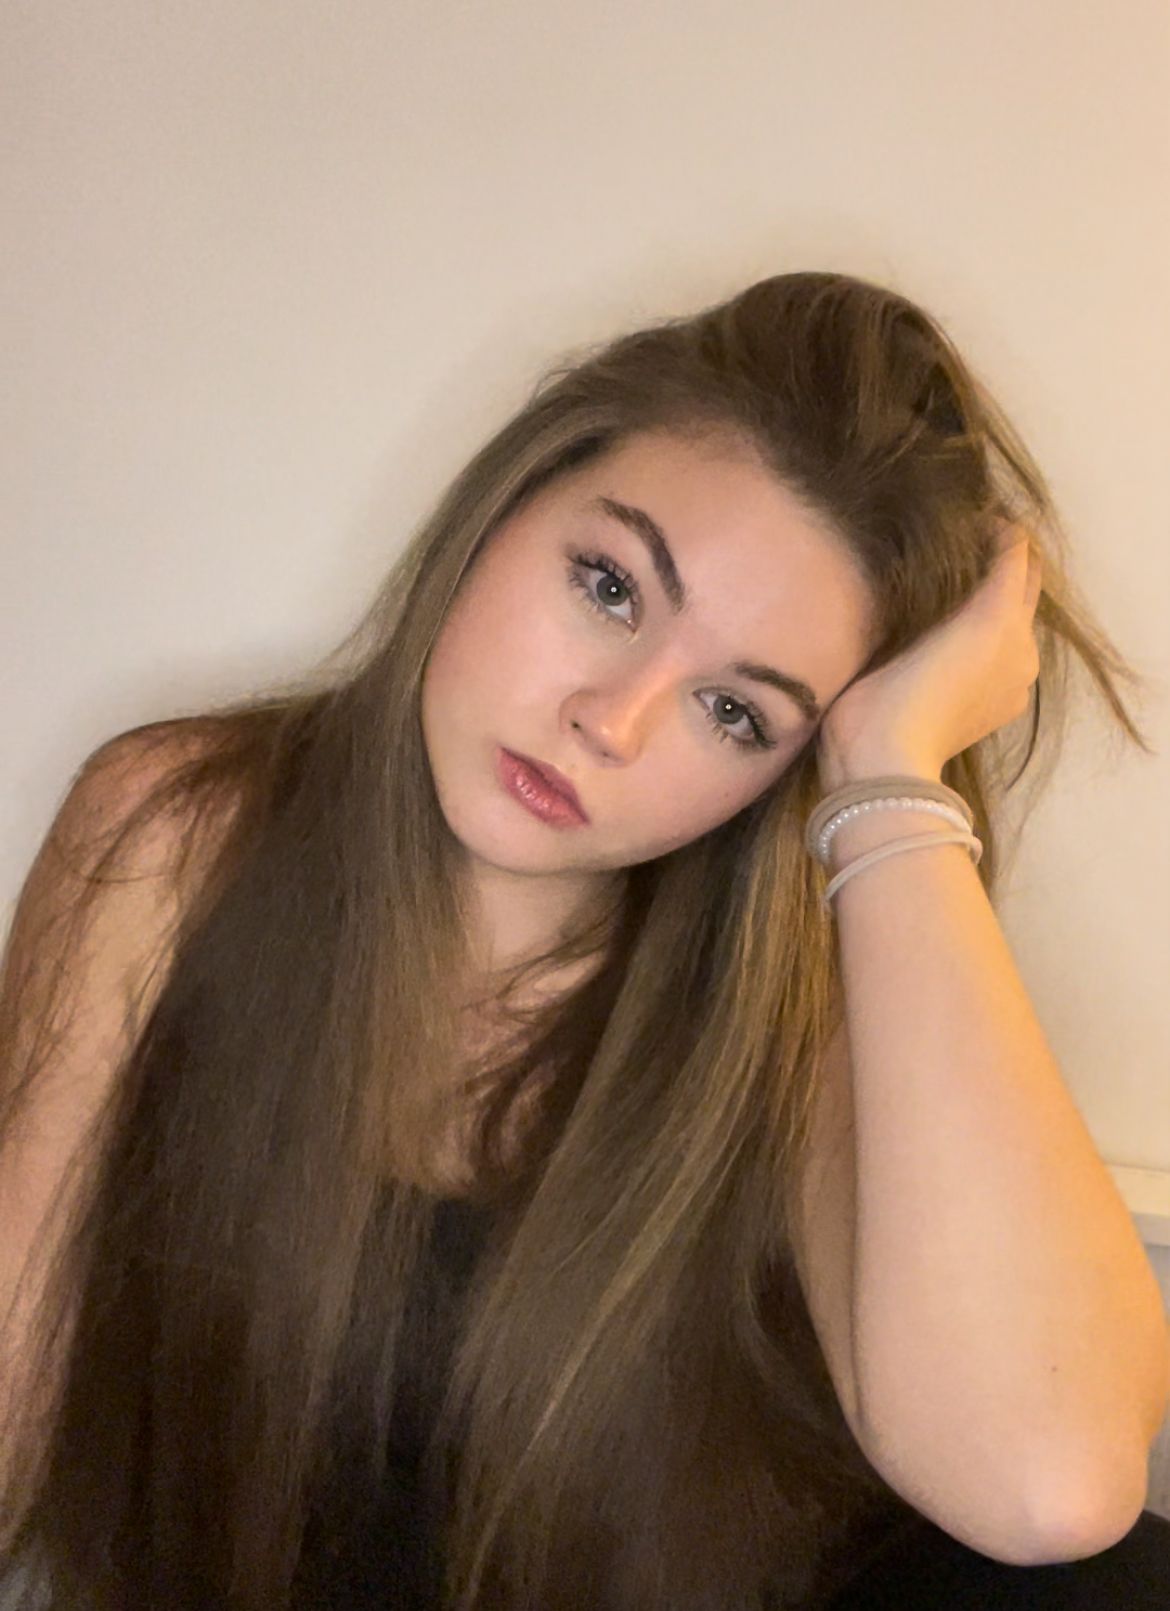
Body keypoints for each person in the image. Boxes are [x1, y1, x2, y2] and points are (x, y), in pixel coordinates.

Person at [0, 269, 1167, 1610]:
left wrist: (890, 772)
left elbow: (1051, 1485)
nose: (610, 723)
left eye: (736, 713)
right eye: (609, 586)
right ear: (504, 505)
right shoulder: (182, 829)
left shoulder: (791, 1010)